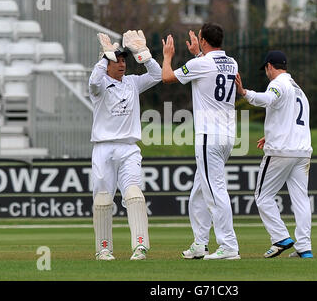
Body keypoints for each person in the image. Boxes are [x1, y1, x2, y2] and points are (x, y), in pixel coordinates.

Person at [162, 22, 240, 260]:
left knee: (215, 192)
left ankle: (228, 246)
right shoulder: (231, 62)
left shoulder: (201, 63)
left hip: (209, 137)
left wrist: (168, 56)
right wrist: (198, 53)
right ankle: (200, 243)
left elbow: (167, 77)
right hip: (226, 136)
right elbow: (210, 72)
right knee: (199, 192)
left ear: (204, 41)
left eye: (200, 40)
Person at [89, 31, 161, 261]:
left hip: (129, 148)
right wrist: (104, 57)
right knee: (102, 199)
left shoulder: (132, 83)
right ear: (107, 63)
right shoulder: (99, 87)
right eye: (116, 60)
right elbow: (93, 80)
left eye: (123, 60)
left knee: (133, 194)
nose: (121, 64)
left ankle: (140, 246)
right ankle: (103, 249)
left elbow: (157, 75)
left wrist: (143, 53)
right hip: (103, 149)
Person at [235, 50, 313, 259]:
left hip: (281, 152)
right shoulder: (299, 90)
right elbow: (291, 119)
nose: (266, 73)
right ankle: (304, 247)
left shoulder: (278, 84)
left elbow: (268, 99)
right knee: (301, 200)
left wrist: (244, 93)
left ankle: (280, 237)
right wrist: (270, 135)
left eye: (266, 69)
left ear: (270, 66)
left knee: (262, 196)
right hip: (302, 151)